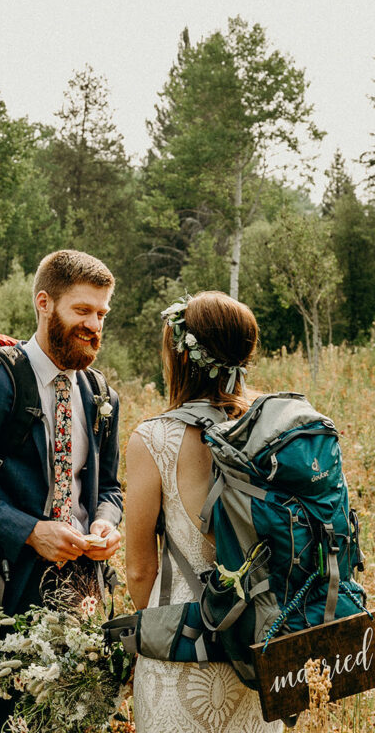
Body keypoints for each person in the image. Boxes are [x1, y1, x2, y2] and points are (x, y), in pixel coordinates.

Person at [0, 249, 124, 733]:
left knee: (72, 719)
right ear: (44, 303)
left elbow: (111, 488)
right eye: (82, 311)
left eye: (101, 314)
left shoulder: (102, 396)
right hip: (1, 589)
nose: (94, 325)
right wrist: (30, 530)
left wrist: (106, 522)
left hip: (80, 592)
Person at [125, 291, 281, 732]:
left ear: (181, 356)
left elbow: (139, 569)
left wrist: (150, 631)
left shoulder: (155, 439)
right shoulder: (277, 431)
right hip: (262, 647)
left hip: (183, 649)